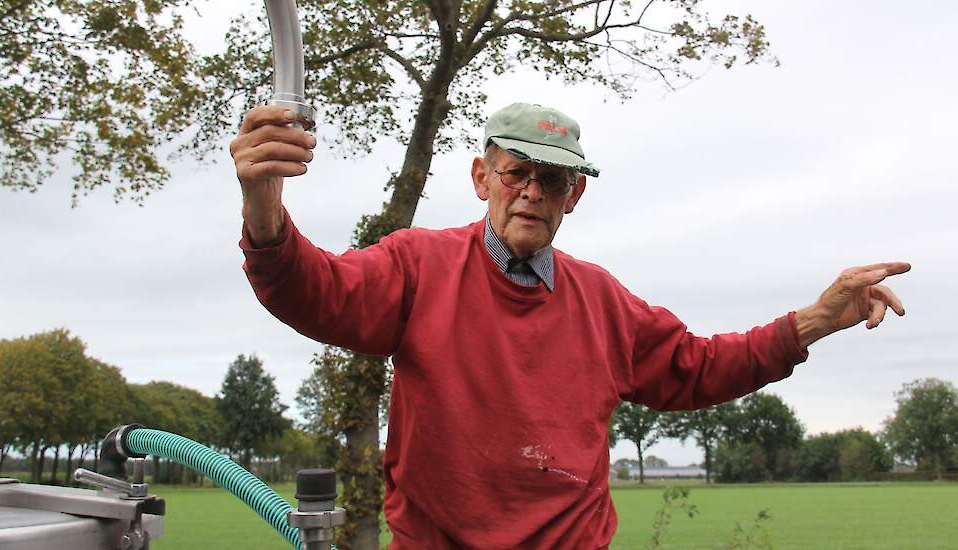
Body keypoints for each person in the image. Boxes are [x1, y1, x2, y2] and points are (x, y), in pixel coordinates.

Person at [230, 102, 909, 548]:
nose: (532, 192)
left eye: (552, 181)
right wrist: (264, 205)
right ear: (481, 178)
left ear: (573, 195)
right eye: (516, 172)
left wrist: (814, 321)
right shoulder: (418, 266)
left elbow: (698, 367)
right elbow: (314, 292)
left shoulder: (603, 301)